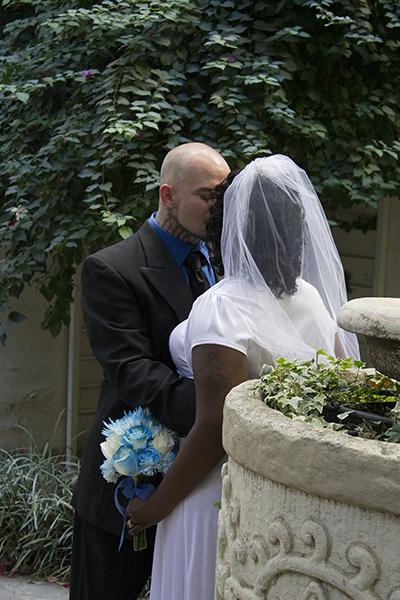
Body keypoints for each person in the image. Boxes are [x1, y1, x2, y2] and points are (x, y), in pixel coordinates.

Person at [127, 154, 359, 600]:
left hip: (209, 493)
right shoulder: (310, 298)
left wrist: (155, 507)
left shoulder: (224, 305)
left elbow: (218, 424)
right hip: (276, 495)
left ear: (228, 223)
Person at [69, 142, 230, 600]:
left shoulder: (223, 262)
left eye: (223, 197)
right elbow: (134, 371)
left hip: (201, 489)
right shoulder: (112, 268)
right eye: (207, 196)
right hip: (128, 485)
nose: (216, 209)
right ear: (167, 194)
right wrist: (218, 416)